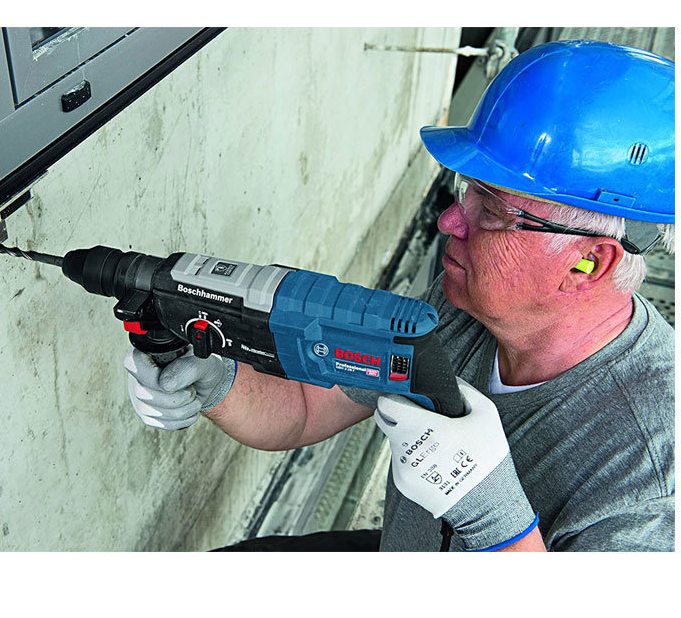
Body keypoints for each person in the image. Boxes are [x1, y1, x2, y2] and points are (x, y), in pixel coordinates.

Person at [124, 40, 675, 552]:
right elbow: (308, 408)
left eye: (491, 209)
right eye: (467, 191)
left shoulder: (651, 477)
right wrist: (220, 380)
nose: (449, 221)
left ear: (588, 262)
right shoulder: (467, 306)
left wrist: (495, 520)